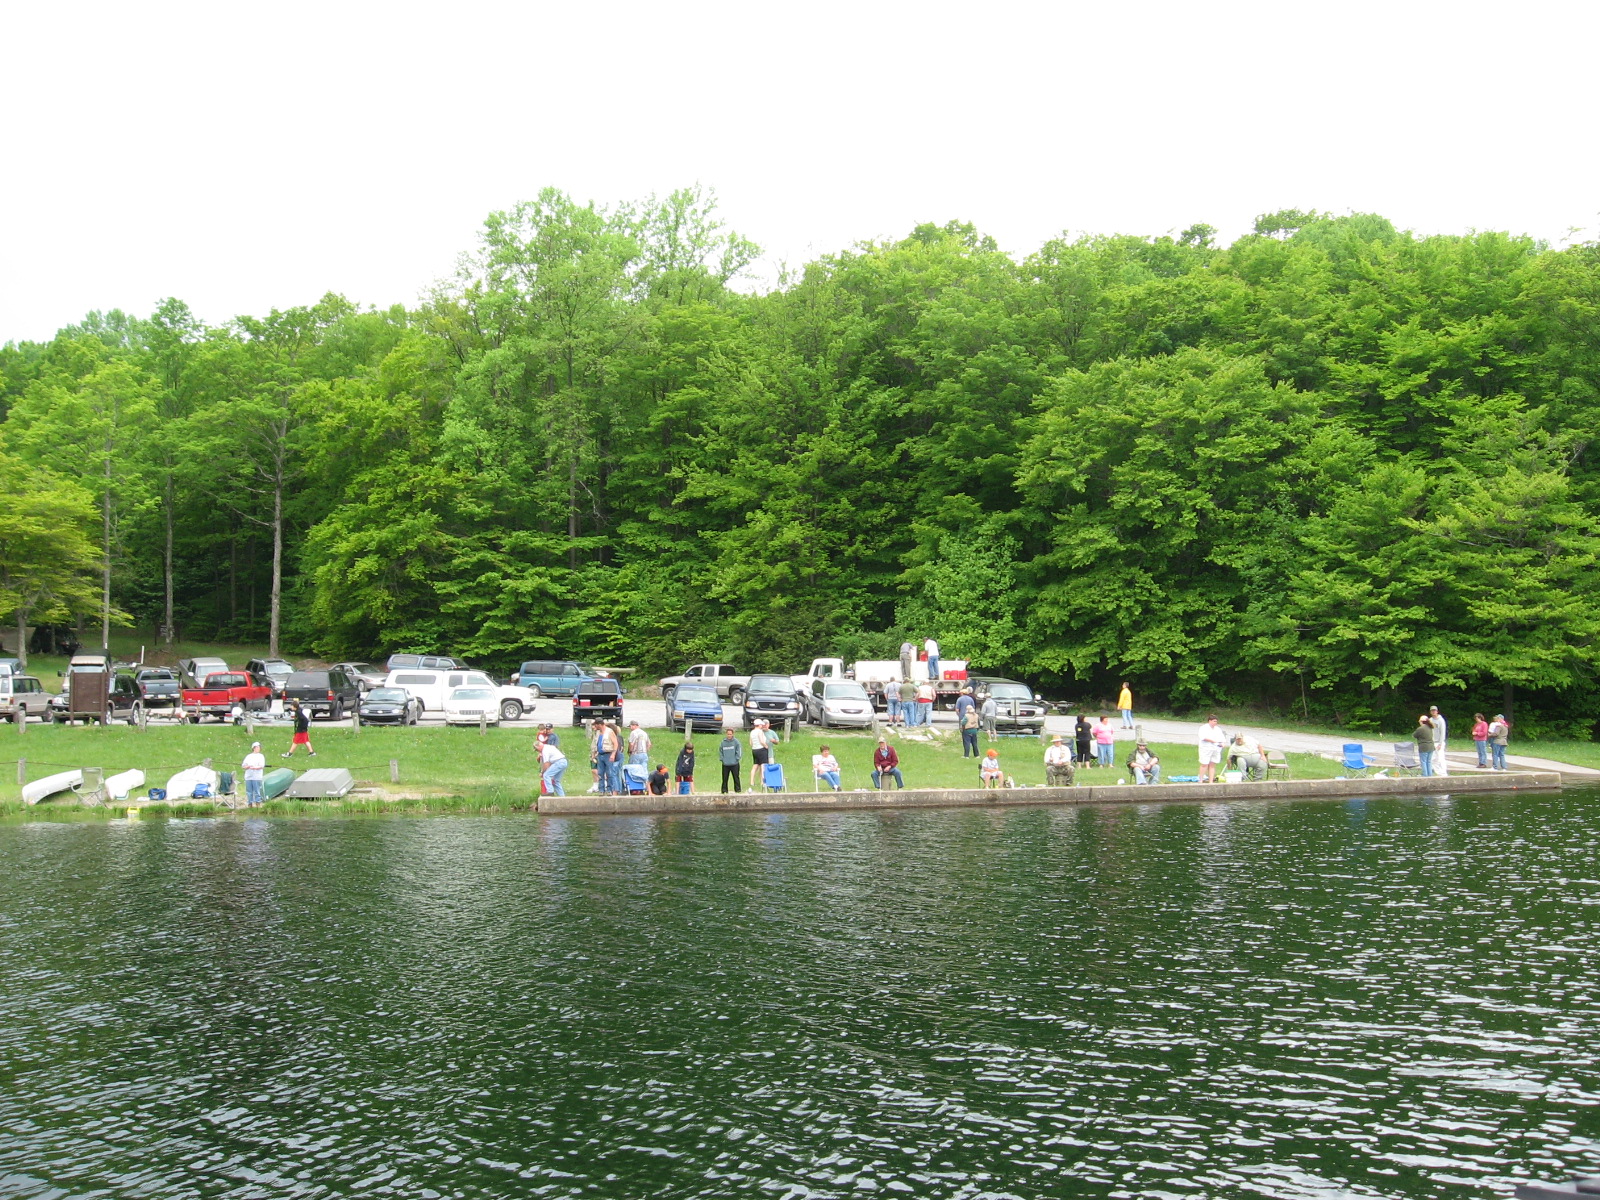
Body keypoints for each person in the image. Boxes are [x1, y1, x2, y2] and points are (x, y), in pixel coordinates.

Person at [1197, 715, 1227, 783]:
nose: (1215, 723)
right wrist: (1213, 741)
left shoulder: (1218, 729)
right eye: (1214, 721)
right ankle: (1200, 780)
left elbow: (1222, 739)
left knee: (1212, 764)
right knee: (1204, 764)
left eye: (1216, 721)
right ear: (1210, 721)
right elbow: (1203, 737)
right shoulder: (1203, 728)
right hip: (1206, 748)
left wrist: (1222, 743)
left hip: (1216, 748)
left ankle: (1211, 781)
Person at [718, 728, 743, 793]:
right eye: (728, 734)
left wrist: (737, 759)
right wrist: (722, 759)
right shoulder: (723, 742)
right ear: (726, 734)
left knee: (736, 778)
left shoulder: (736, 742)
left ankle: (738, 790)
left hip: (734, 764)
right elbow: (720, 751)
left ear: (733, 734)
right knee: (725, 778)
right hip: (725, 764)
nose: (729, 735)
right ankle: (724, 790)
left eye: (730, 734)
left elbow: (739, 751)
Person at [241, 741, 267, 807]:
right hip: (248, 776)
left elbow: (261, 766)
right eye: (257, 747)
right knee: (249, 791)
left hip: (257, 776)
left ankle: (258, 803)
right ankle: (250, 803)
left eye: (259, 747)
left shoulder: (261, 756)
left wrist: (254, 768)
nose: (258, 748)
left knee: (257, 790)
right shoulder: (249, 756)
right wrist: (247, 767)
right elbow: (243, 765)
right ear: (254, 748)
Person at [1428, 705, 1449, 777]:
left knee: (1440, 758)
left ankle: (1444, 773)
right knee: (1433, 759)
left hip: (1439, 742)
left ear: (1437, 711)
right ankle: (1438, 772)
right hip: (1432, 742)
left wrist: (1440, 743)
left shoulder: (1441, 720)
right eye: (1432, 711)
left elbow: (1443, 732)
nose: (1433, 712)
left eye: (1434, 710)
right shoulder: (1430, 720)